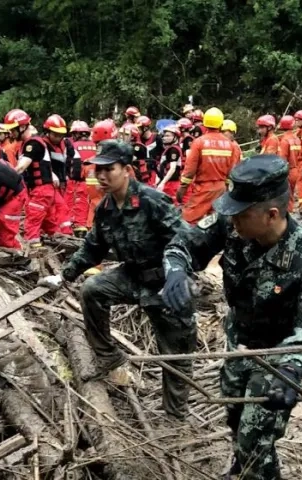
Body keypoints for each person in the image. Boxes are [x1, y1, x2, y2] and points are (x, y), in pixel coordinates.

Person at [162, 155, 302, 479]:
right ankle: (243, 467)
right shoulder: (233, 225)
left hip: (277, 356)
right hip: (238, 343)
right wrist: (175, 270)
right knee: (236, 419)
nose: (232, 220)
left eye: (241, 214)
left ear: (271, 215)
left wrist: (291, 370)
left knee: (256, 437)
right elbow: (183, 244)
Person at [38, 140, 195, 418]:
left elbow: (187, 239)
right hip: (133, 275)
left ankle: (175, 415)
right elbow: (92, 248)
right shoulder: (106, 208)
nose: (101, 176)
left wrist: (180, 273)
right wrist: (63, 276)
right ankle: (108, 355)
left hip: (165, 281)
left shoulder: (151, 201)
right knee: (93, 288)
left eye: (109, 169)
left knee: (176, 355)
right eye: (97, 170)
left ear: (127, 170)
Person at [6, 109, 71, 248]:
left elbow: (21, 167)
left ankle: (34, 252)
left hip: (40, 192)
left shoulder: (32, 145)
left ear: (22, 127)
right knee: (50, 225)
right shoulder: (35, 143)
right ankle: (65, 246)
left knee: (32, 224)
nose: (10, 134)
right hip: (46, 191)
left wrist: (4, 177)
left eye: (12, 130)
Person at [177, 107, 240, 224]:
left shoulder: (199, 142)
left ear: (204, 123)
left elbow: (189, 170)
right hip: (221, 189)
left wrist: (182, 188)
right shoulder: (230, 145)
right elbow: (231, 171)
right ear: (221, 124)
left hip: (203, 189)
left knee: (188, 221)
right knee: (216, 222)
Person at [66, 120, 95, 237]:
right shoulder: (95, 145)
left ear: (76, 134)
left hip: (80, 180)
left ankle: (80, 229)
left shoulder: (73, 146)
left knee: (79, 203)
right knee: (93, 203)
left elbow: (69, 164)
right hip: (95, 180)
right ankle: (91, 226)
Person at [276, 115, 301, 211]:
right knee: (291, 193)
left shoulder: (284, 141)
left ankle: (288, 212)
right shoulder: (297, 139)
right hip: (296, 169)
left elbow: (282, 159)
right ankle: (290, 210)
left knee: (286, 194)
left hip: (288, 171)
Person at [156, 125, 184, 203]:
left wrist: (162, 183)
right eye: (164, 135)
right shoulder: (169, 149)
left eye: (168, 135)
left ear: (175, 137)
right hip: (168, 182)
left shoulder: (173, 150)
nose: (164, 137)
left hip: (171, 183)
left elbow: (172, 168)